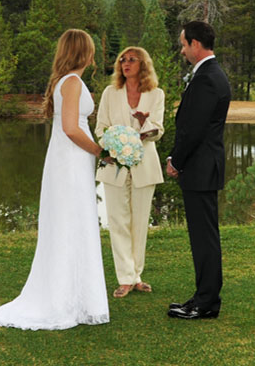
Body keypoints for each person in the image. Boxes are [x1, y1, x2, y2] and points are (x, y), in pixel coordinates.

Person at [0, 29, 110, 330]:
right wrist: (99, 151)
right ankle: (62, 300)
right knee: (70, 223)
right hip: (71, 161)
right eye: (91, 50)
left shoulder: (68, 82)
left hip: (71, 161)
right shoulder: (71, 83)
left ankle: (79, 298)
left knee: (75, 222)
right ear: (84, 53)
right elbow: (70, 127)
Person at [165, 21, 231, 320]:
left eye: (183, 44)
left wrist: (175, 161)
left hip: (200, 168)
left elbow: (193, 131)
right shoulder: (210, 74)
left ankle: (205, 303)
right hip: (204, 168)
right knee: (205, 237)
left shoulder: (207, 78)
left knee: (204, 238)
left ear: (195, 44)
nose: (182, 50)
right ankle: (203, 298)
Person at [95, 46, 165, 298]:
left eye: (132, 60)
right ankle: (125, 278)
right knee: (117, 222)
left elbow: (158, 130)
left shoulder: (156, 94)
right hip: (113, 166)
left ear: (143, 64)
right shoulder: (109, 93)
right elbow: (101, 128)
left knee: (139, 223)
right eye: (122, 60)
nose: (125, 63)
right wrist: (113, 146)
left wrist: (142, 123)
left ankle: (137, 276)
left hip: (144, 165)